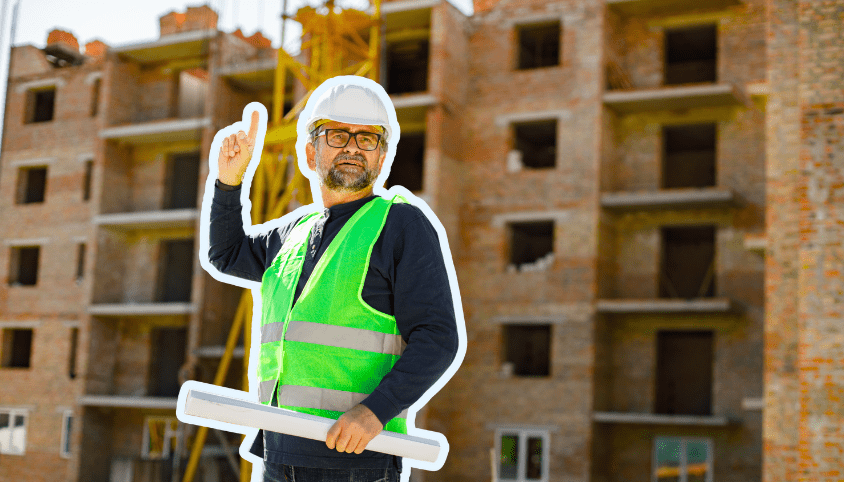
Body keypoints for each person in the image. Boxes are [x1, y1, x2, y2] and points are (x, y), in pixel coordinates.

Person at [208, 79, 460, 482]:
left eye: (368, 139)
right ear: (311, 151)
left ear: (381, 157)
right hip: (278, 452)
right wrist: (229, 182)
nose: (353, 147)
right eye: (338, 135)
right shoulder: (294, 231)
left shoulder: (401, 225)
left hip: (355, 463)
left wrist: (375, 411)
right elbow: (227, 254)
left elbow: (438, 337)